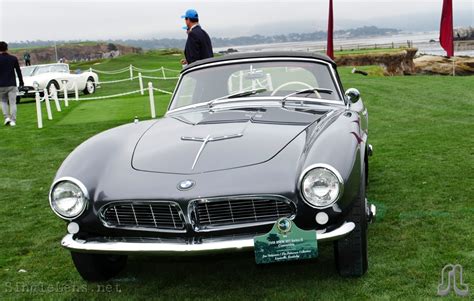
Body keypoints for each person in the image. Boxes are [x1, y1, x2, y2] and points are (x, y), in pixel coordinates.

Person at [0, 41, 24, 127]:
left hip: (1, 85)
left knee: (3, 102)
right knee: (13, 103)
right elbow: (18, 71)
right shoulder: (13, 58)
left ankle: (6, 118)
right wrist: (21, 82)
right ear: (7, 48)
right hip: (12, 84)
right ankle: (13, 120)